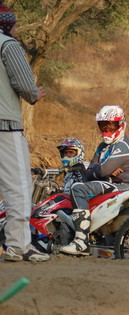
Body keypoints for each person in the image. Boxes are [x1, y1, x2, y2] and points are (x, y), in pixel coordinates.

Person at [0, 4, 49, 262]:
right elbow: (26, 87)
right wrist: (35, 93)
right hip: (5, 128)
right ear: (7, 24)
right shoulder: (8, 45)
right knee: (19, 187)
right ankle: (18, 246)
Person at [60, 105, 129, 255]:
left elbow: (100, 170)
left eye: (111, 125)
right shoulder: (103, 146)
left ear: (120, 124)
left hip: (121, 186)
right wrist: (103, 171)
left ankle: (80, 241)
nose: (107, 129)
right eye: (103, 125)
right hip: (107, 183)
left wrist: (102, 170)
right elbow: (91, 173)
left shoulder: (123, 146)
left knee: (78, 188)